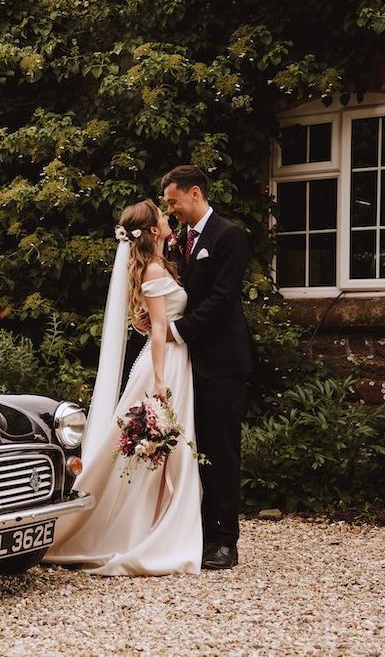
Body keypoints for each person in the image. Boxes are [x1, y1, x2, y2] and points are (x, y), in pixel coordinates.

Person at [44, 199, 203, 575]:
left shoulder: (162, 263)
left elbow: (149, 319)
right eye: (161, 217)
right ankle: (137, 529)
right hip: (165, 365)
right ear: (151, 231)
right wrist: (161, 381)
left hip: (174, 361)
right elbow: (160, 329)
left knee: (159, 448)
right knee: (151, 447)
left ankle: (157, 521)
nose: (167, 218)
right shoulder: (151, 271)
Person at [161, 165, 253, 570]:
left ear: (194, 192)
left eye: (173, 201)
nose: (171, 209)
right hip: (188, 366)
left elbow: (223, 298)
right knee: (194, 452)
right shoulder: (178, 241)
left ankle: (225, 541)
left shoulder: (229, 236)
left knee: (222, 450)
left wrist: (177, 331)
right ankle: (197, 532)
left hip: (222, 364)